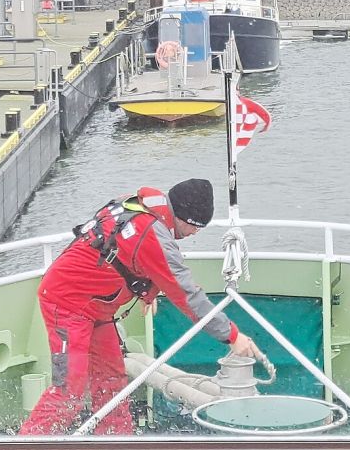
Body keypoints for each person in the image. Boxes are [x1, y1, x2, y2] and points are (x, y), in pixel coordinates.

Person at [19, 178, 259, 436]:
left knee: (112, 382)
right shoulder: (153, 235)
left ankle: (116, 439)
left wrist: (149, 289)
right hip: (67, 304)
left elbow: (120, 250)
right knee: (69, 392)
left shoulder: (137, 206)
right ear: (183, 217)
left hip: (97, 309)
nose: (193, 234)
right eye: (195, 227)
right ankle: (28, 442)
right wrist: (231, 335)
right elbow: (189, 296)